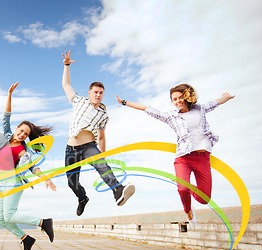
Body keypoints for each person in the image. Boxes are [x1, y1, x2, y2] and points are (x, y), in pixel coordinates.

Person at [115, 83, 235, 227]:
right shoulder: (171, 117)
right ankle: (188, 211)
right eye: (174, 99)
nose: (177, 101)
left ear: (186, 96)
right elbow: (146, 108)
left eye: (179, 98)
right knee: (182, 189)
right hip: (183, 158)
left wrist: (226, 98)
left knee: (204, 199)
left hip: (203, 159)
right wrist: (124, 102)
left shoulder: (200, 109)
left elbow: (215, 103)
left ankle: (180, 181)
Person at [62, 50, 135, 216]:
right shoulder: (79, 101)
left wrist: (103, 154)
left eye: (101, 93)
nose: (98, 95)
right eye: (95, 92)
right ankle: (82, 198)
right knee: (72, 183)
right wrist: (66, 66)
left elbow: (101, 136)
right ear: (89, 93)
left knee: (102, 166)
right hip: (71, 149)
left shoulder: (104, 114)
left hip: (89, 147)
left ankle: (118, 191)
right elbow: (66, 85)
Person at [0, 82, 55, 250]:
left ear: (27, 137)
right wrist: (9, 95)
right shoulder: (6, 137)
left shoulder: (23, 151)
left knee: (10, 215)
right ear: (17, 129)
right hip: (1, 183)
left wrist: (46, 179)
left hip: (13, 182)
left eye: (26, 134)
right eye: (21, 130)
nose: (22, 135)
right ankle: (26, 238)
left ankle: (43, 222)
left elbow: (32, 167)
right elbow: (6, 118)